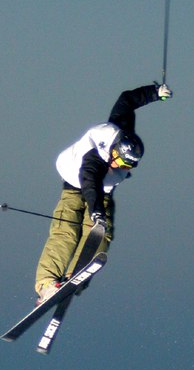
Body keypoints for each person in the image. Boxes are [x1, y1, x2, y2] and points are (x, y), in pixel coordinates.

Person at [34, 82, 173, 302]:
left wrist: (155, 93)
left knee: (101, 235)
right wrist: (96, 212)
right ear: (113, 151)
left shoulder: (120, 130)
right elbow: (90, 184)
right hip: (74, 186)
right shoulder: (95, 157)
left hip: (103, 192)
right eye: (119, 161)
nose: (120, 167)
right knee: (67, 231)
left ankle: (73, 280)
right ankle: (47, 284)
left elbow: (127, 99)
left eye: (127, 165)